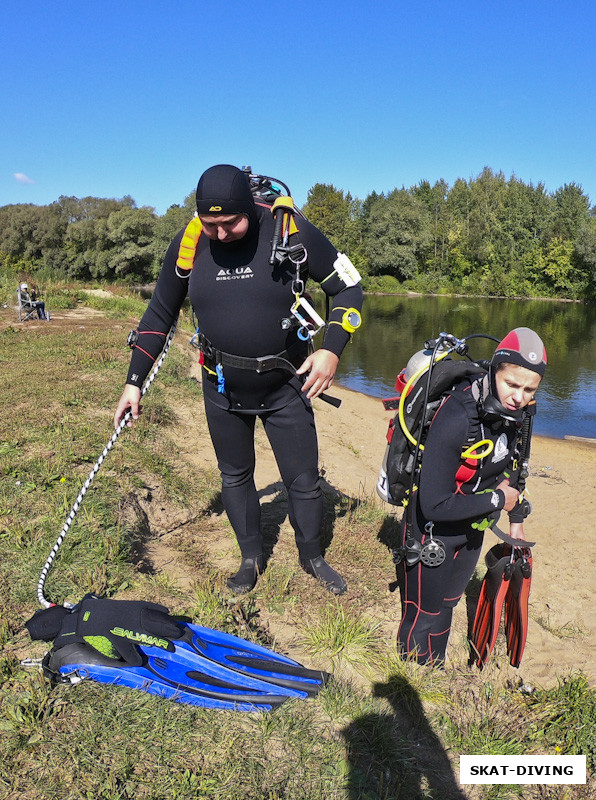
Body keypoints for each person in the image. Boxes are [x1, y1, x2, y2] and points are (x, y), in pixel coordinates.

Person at [114, 165, 363, 595]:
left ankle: (312, 556)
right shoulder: (191, 243)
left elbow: (350, 289)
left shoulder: (291, 230)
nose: (221, 233)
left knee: (302, 480)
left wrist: (331, 350)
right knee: (234, 476)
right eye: (210, 223)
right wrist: (134, 381)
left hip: (286, 384)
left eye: (230, 222)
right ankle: (250, 557)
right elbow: (159, 315)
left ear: (250, 208)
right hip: (223, 386)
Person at [396, 327, 546, 665]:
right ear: (495, 372)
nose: (519, 397)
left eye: (529, 389)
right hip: (434, 532)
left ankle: (432, 665)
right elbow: (433, 503)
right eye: (512, 384)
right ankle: (409, 680)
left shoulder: (514, 415)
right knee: (423, 612)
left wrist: (516, 522)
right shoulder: (457, 415)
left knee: (448, 604)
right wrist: (497, 501)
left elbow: (512, 469)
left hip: (472, 530)